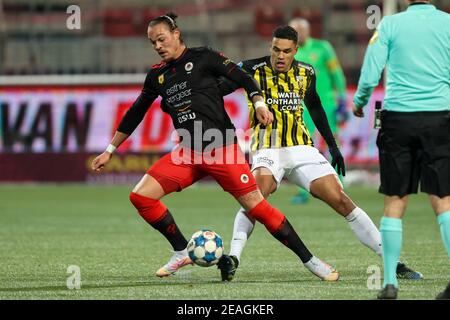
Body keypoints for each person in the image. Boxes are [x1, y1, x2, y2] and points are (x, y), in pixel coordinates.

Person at [91, 13, 339, 281]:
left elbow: (243, 76)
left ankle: (311, 261)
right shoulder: (157, 75)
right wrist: (110, 149)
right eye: (153, 43)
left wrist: (258, 101)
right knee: (140, 197)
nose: (158, 46)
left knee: (258, 208)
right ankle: (180, 251)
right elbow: (135, 112)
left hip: (222, 149)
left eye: (162, 39)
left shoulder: (204, 57)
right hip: (188, 153)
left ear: (176, 34)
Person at [215, 25, 421, 283]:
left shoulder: (306, 72)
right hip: (268, 146)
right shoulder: (251, 69)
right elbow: (220, 88)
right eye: (276, 50)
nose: (280, 56)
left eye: (286, 51)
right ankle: (233, 258)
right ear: (270, 47)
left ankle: (393, 261)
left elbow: (314, 106)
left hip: (302, 147)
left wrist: (332, 145)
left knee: (341, 200)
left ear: (296, 50)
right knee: (256, 196)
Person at [352, 1, 450, 299]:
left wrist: (359, 101)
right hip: (440, 117)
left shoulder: (390, 25)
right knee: (444, 200)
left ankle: (390, 283)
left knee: (395, 199)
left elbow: (371, 73)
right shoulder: (448, 23)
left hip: (399, 119)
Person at [289, 18, 348, 204]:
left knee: (333, 144)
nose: (298, 34)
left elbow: (336, 73)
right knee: (303, 147)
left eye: (300, 30)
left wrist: (343, 99)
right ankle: (306, 190)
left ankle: (340, 186)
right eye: (294, 30)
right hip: (300, 105)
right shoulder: (288, 52)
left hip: (326, 104)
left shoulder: (323, 48)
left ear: (308, 31)